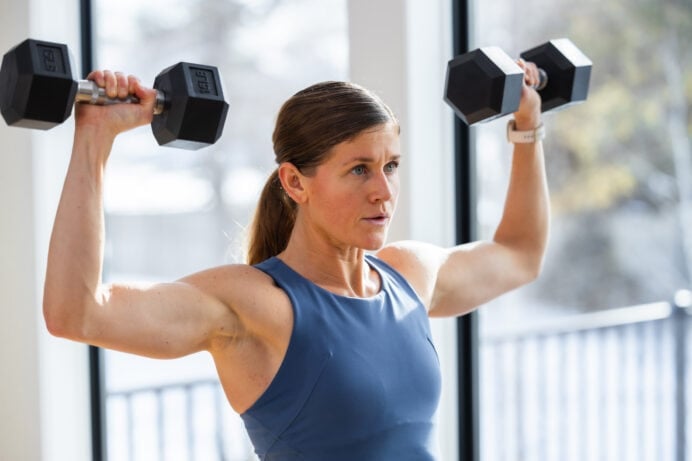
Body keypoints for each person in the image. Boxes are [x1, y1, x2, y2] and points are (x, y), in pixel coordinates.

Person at [43, 60, 548, 460]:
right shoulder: (255, 305)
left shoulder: (409, 276)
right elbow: (77, 312)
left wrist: (527, 126)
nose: (383, 192)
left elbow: (520, 254)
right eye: (358, 170)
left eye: (390, 166)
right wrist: (95, 140)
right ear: (294, 182)